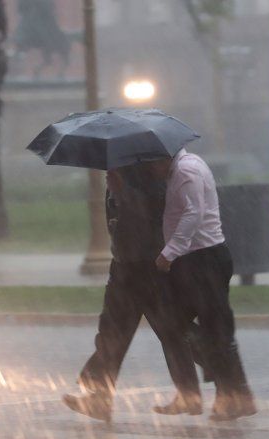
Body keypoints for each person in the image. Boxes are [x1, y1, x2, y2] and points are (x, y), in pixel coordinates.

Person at [62, 165, 204, 422]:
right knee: (114, 333)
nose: (106, 171)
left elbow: (151, 218)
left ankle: (217, 371)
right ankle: (99, 398)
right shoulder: (117, 181)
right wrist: (117, 191)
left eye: (111, 168)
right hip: (124, 269)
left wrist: (124, 191)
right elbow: (117, 226)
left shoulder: (150, 178)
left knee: (171, 331)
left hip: (148, 269)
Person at [149, 148, 257, 422]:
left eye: (152, 163)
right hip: (194, 261)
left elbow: (192, 215)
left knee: (217, 331)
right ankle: (223, 384)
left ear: (164, 156)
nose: (151, 170)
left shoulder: (186, 171)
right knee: (174, 325)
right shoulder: (181, 168)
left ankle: (234, 397)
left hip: (204, 259)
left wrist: (169, 252)